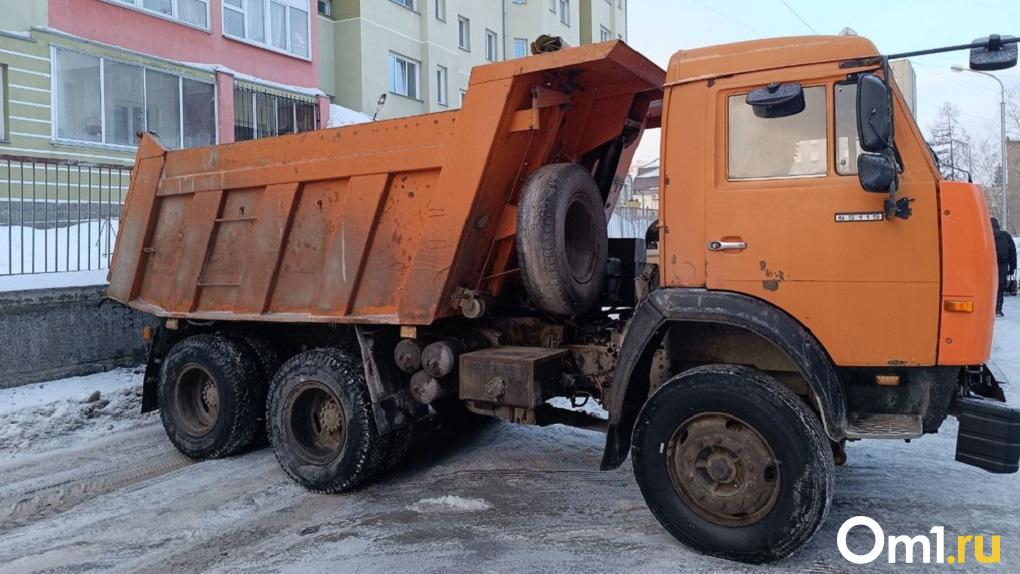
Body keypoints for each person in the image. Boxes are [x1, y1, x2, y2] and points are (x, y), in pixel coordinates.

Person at [992, 217, 1016, 317]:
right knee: (1000, 287)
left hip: (989, 265)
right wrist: (1012, 267)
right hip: (1003, 264)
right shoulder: (1005, 235)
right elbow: (1012, 252)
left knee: (988, 287)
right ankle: (998, 309)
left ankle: (987, 308)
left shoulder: (985, 234)